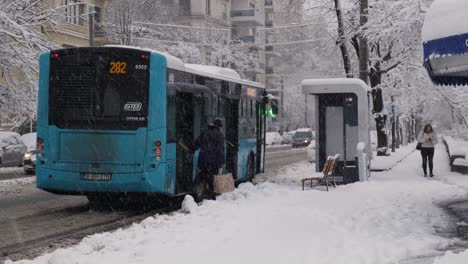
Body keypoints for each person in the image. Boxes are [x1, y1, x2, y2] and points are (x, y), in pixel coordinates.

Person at [192, 119, 225, 201]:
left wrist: (191, 149)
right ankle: (212, 196)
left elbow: (196, 143)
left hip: (202, 160)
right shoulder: (219, 136)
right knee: (212, 178)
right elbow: (220, 150)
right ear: (218, 127)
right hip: (213, 161)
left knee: (204, 174)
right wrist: (221, 162)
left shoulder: (205, 133)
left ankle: (199, 190)